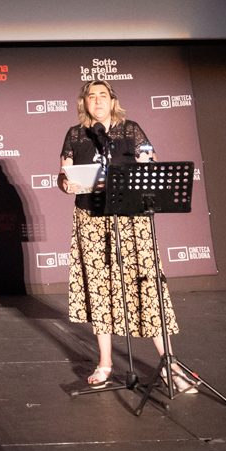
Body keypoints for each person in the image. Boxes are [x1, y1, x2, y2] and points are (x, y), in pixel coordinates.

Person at [57, 79, 188, 391]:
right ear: (84, 103)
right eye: (91, 96)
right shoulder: (76, 134)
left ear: (112, 101)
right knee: (101, 289)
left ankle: (169, 364)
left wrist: (143, 170)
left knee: (146, 285)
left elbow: (149, 164)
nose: (98, 100)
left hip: (131, 219)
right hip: (91, 219)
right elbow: (64, 173)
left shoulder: (131, 130)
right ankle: (105, 363)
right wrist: (67, 184)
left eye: (103, 95)